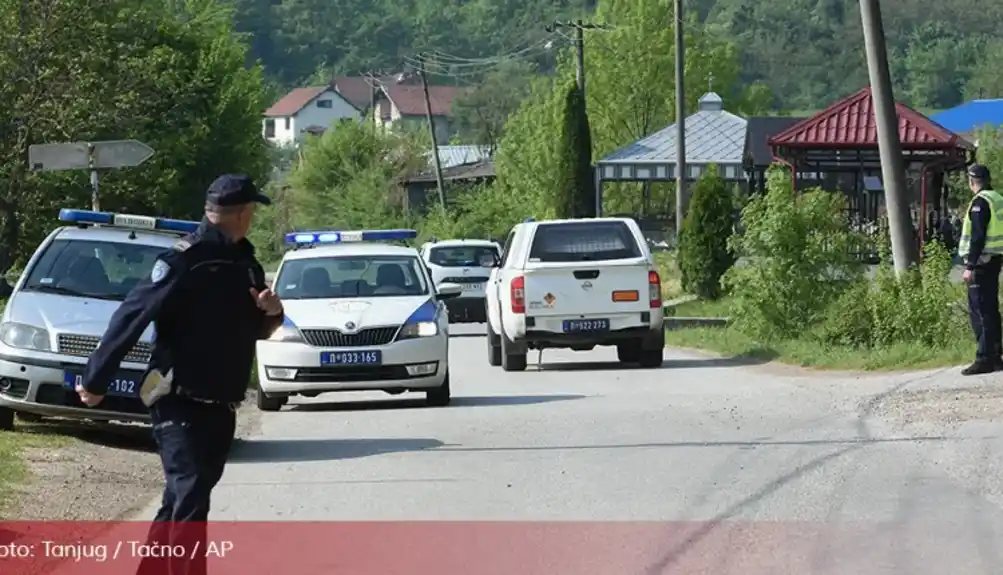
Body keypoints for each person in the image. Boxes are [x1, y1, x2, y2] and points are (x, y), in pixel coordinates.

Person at [76, 174, 284, 574]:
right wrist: (96, 378)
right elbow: (134, 314)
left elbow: (256, 325)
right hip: (178, 398)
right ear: (241, 214)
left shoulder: (246, 264)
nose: (253, 218)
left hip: (222, 401)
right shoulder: (184, 259)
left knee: (182, 497)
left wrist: (273, 313)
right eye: (252, 211)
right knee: (190, 498)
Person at [958, 164, 1003, 375]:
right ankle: (995, 356)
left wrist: (969, 266)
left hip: (981, 263)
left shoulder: (980, 203)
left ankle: (984, 358)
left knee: (981, 311)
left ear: (971, 181)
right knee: (991, 309)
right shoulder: (997, 198)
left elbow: (977, 237)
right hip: (994, 260)